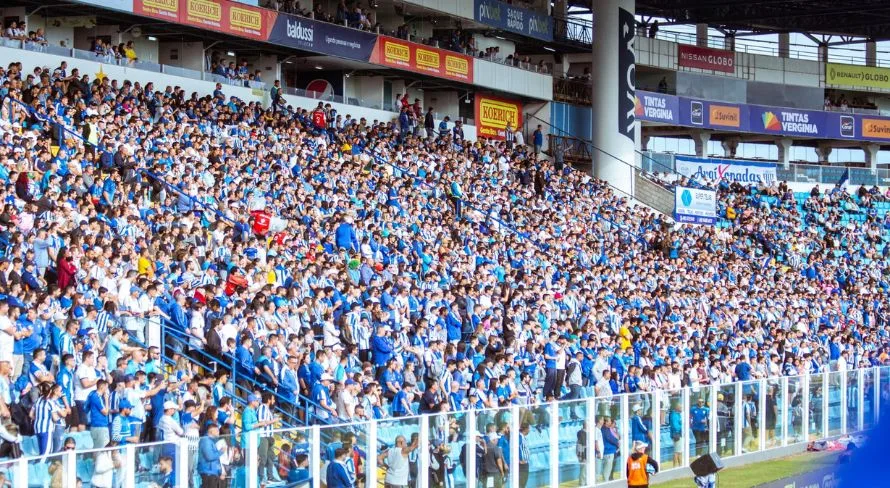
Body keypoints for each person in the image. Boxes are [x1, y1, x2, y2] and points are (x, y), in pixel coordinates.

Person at [198, 422, 225, 488]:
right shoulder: (206, 440)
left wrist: (220, 471)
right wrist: (221, 451)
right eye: (217, 430)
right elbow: (209, 457)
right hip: (208, 474)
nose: (219, 432)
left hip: (212, 473)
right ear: (211, 431)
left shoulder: (210, 441)